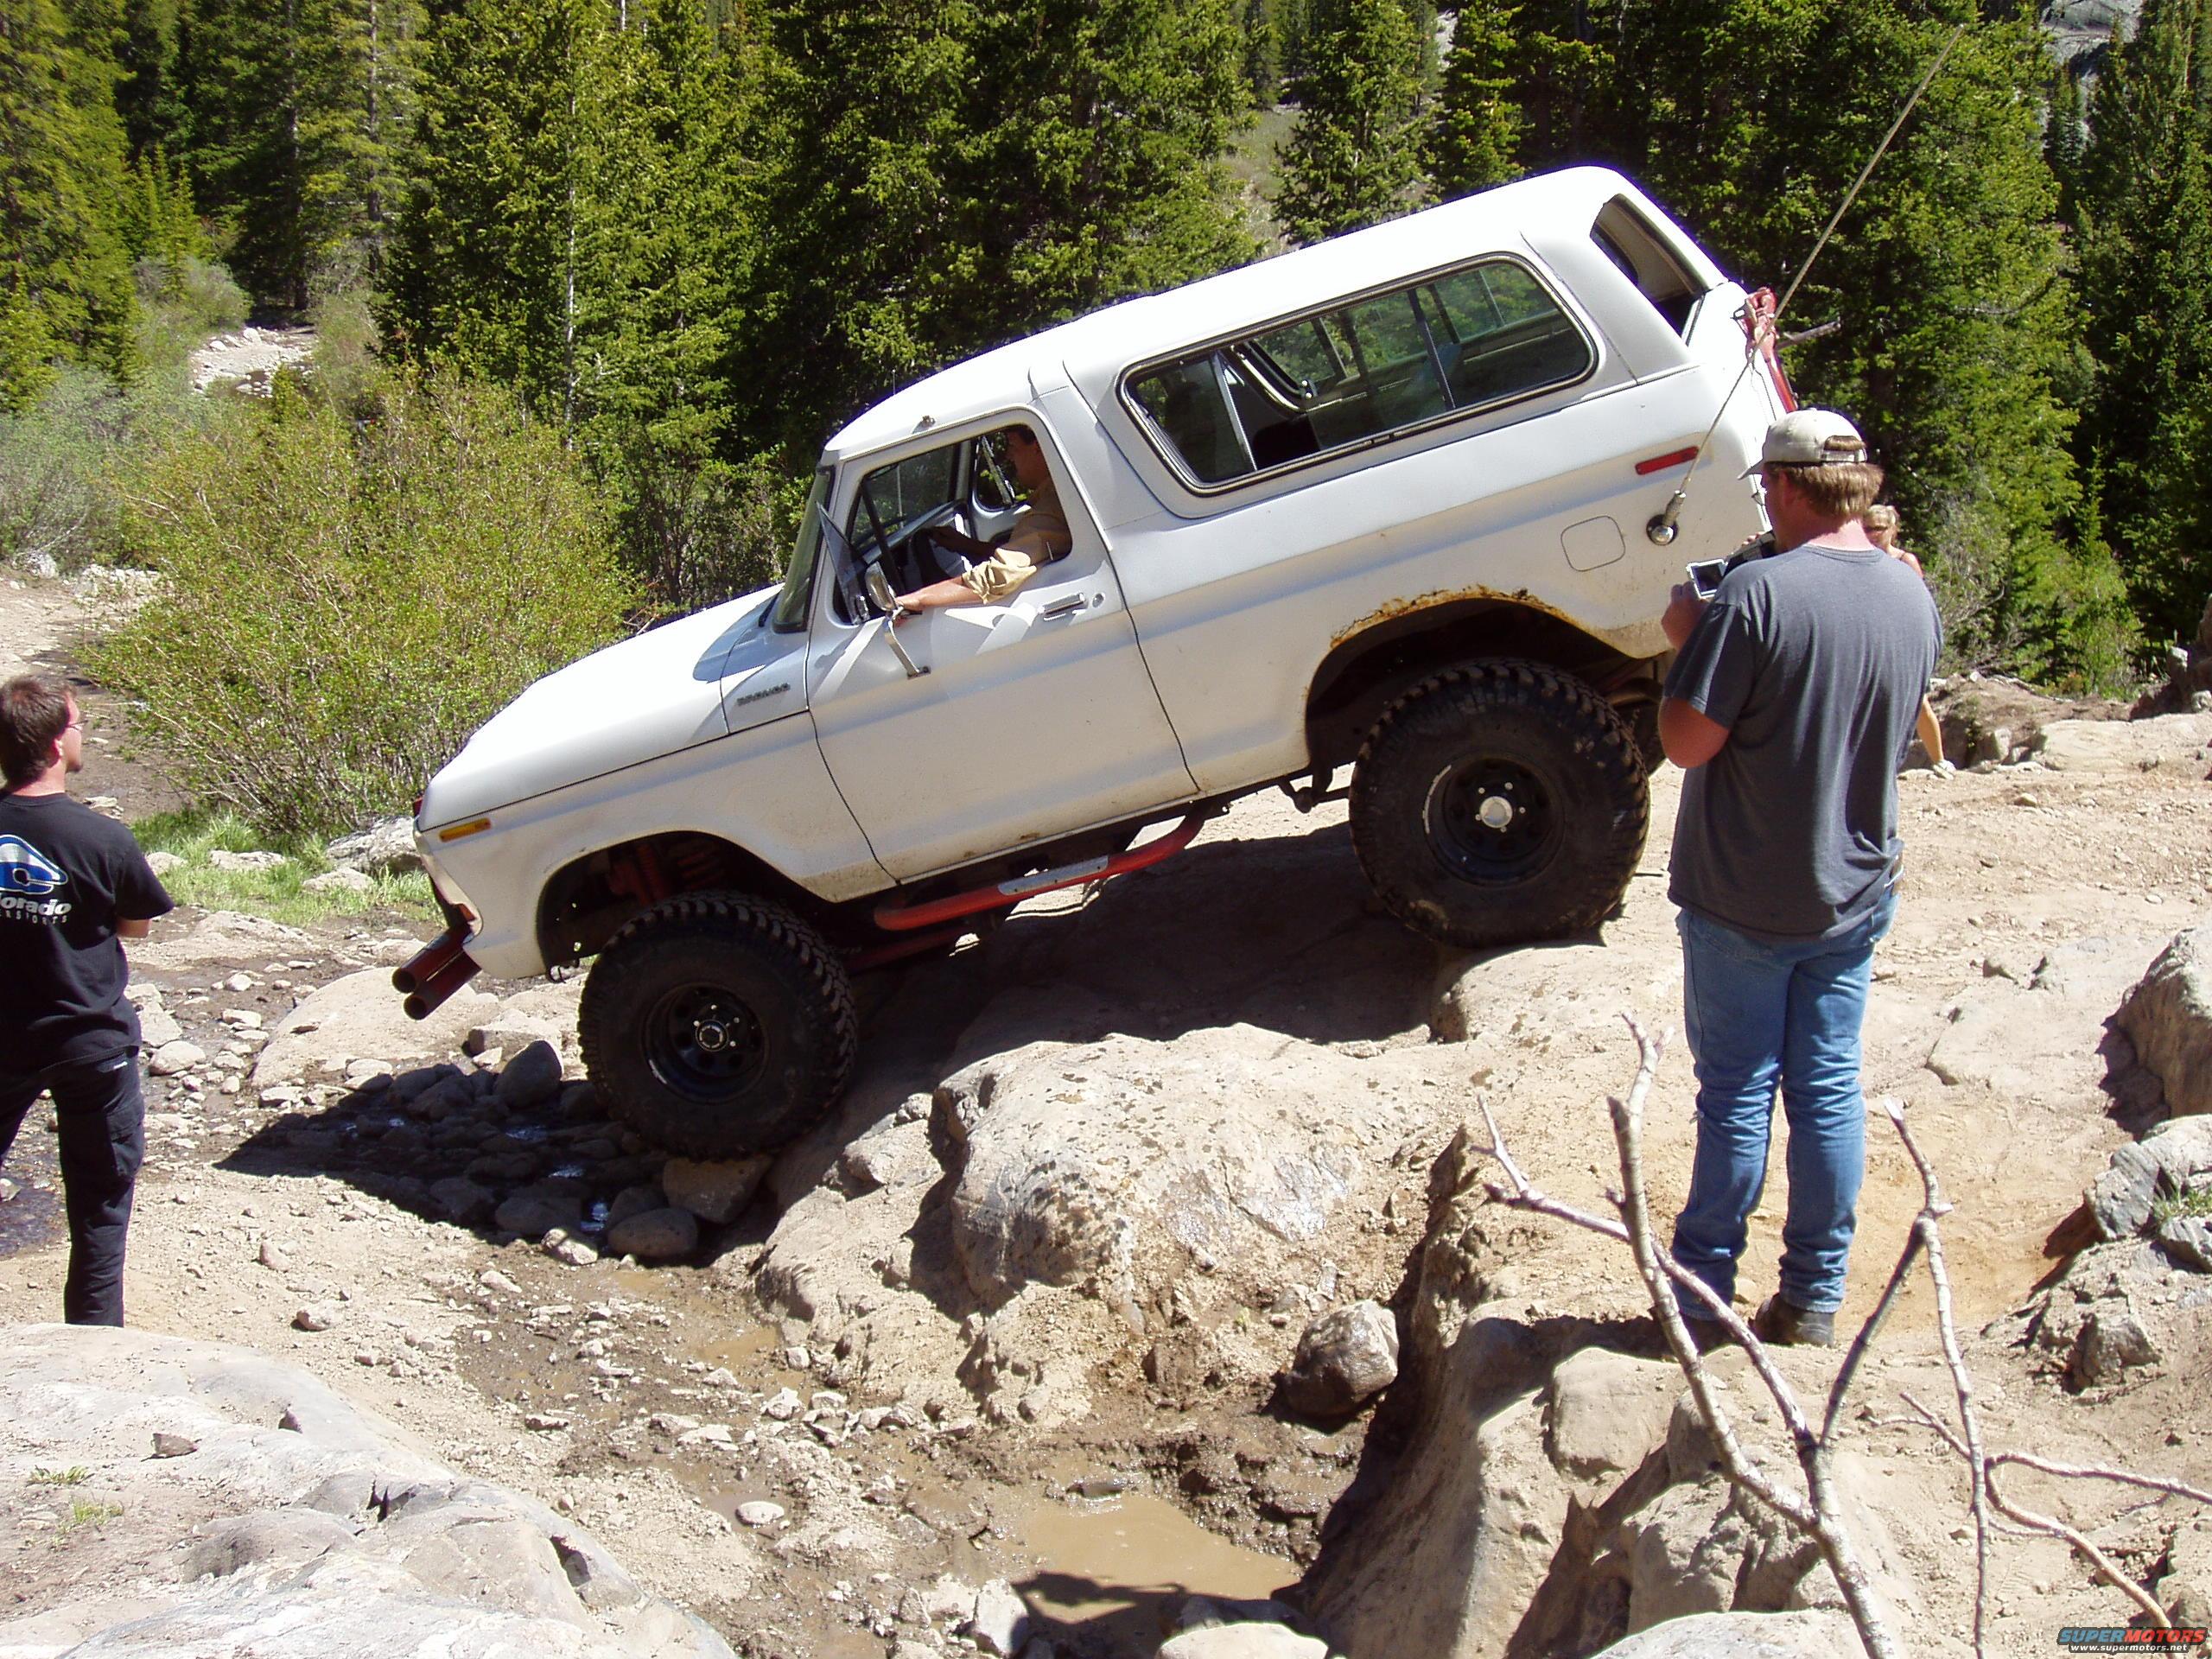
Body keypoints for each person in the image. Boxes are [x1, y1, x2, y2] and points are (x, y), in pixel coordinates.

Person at [1657, 409, 1941, 1348]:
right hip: (1853, 890)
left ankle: (1702, 1298)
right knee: (1826, 1090)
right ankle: (1813, 1298)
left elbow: (1684, 743)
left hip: (1742, 895)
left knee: (1737, 1096)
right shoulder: (1911, 595)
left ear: (1782, 485)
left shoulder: (1753, 599)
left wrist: (1687, 643)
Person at [0, 674, 173, 1325]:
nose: (83, 736)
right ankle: (95, 1352)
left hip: (5, 1039)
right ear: (54, 744)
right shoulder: (104, 839)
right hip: (89, 1042)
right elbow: (136, 926)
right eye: (77, 725)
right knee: (100, 1203)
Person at [892, 424, 1072, 617]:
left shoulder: (1051, 507)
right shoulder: (1054, 498)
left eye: (1013, 446)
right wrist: (966, 545)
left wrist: (917, 599)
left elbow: (1000, 576)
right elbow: (1021, 554)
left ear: (1037, 447)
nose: (1009, 456)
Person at [1863, 505, 1949, 774]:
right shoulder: (1859, 559)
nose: (1873, 534)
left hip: (1900, 639)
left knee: (1918, 701)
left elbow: (1918, 603)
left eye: (1879, 528)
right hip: (1870, 639)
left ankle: (1939, 760)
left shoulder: (1904, 561)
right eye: (1868, 528)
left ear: (1893, 530)